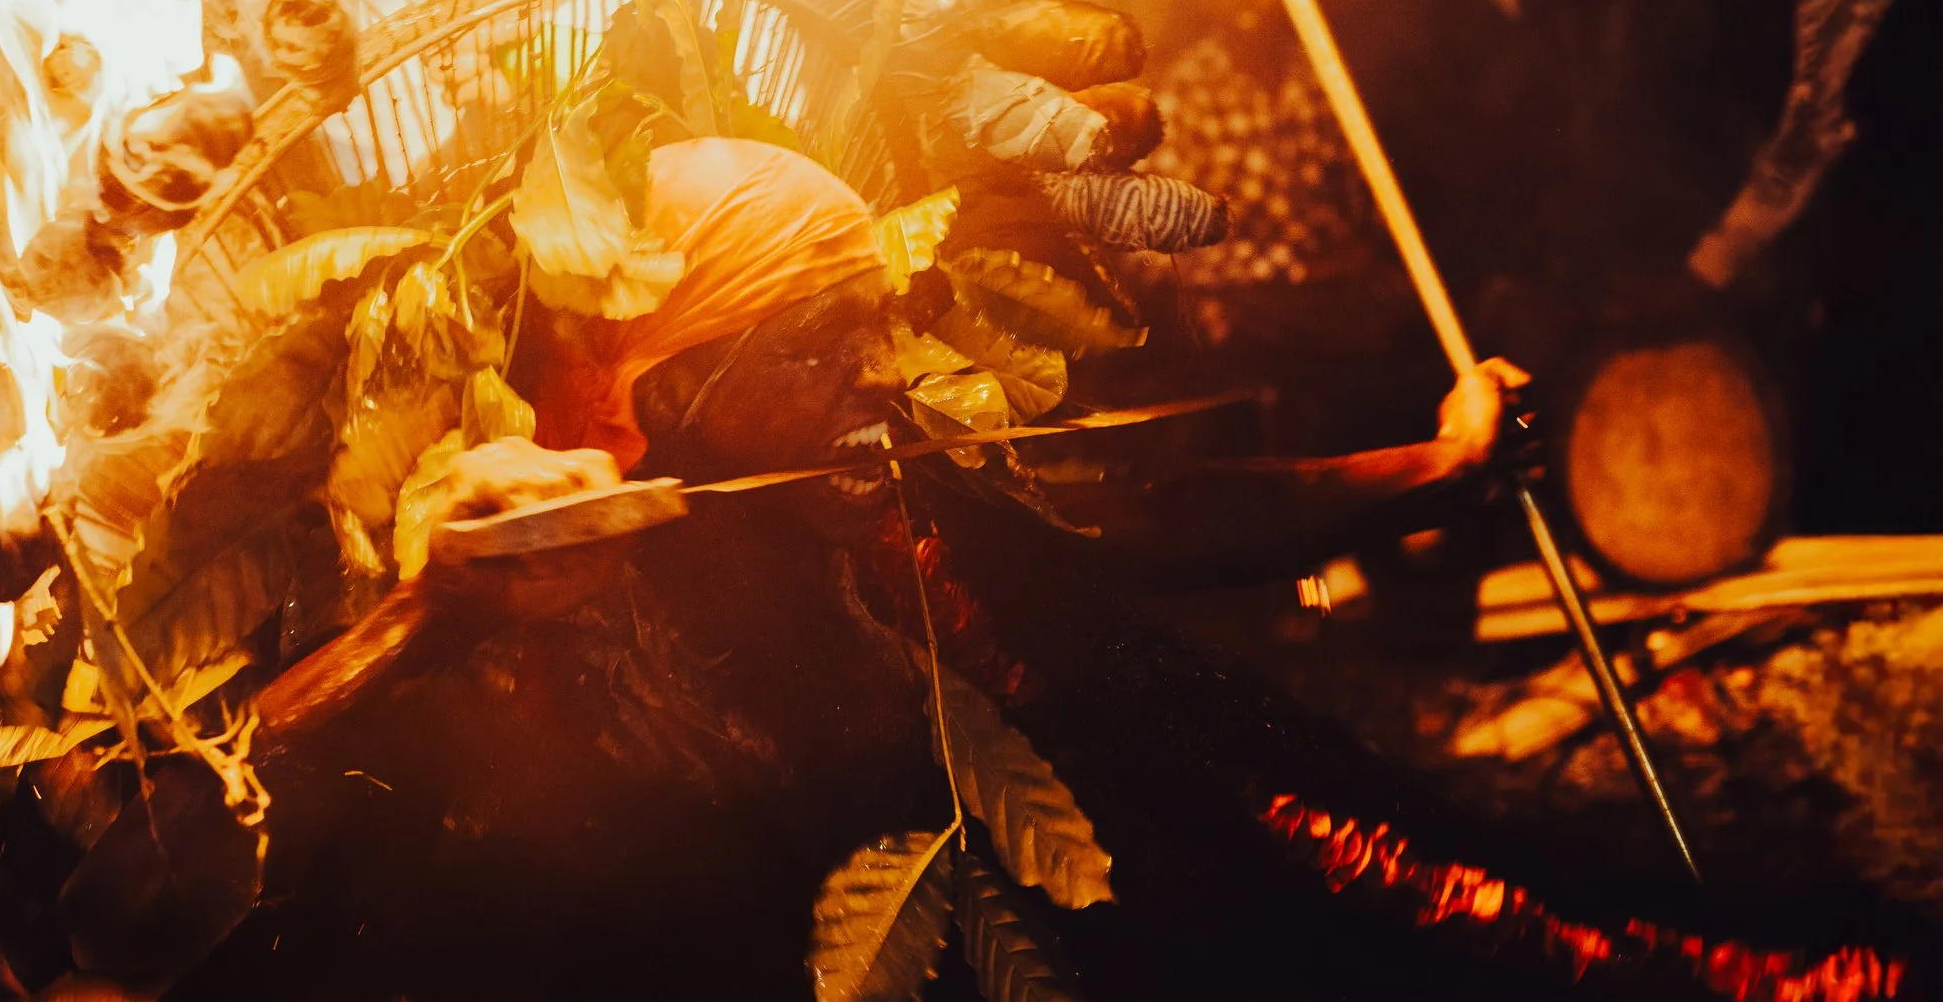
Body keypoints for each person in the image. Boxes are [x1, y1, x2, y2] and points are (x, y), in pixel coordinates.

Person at [219, 137, 1581, 998]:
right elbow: (230, 785)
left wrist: (1439, 464)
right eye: (811, 345)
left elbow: (1151, 522)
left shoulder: (872, 491)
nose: (867, 375)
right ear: (671, 375)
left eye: (868, 331)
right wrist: (424, 615)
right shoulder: (555, 569)